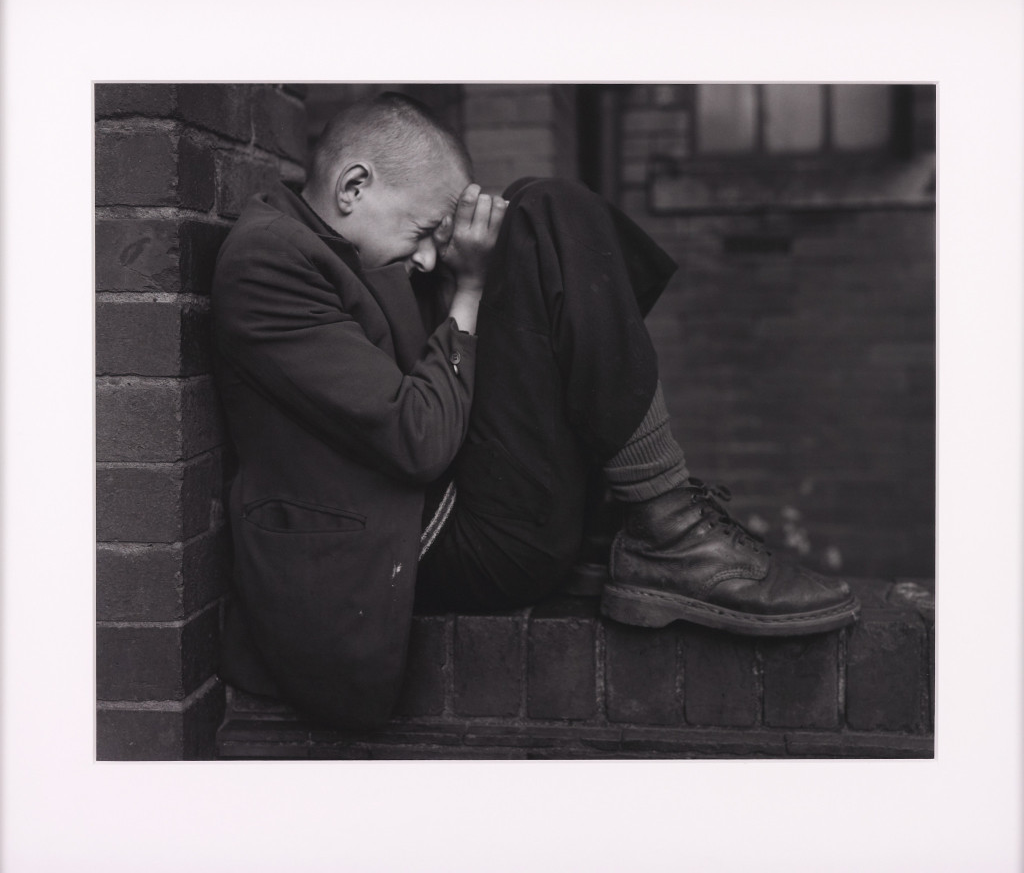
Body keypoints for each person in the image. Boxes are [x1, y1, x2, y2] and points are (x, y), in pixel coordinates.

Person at [212, 92, 859, 728]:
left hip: (459, 509)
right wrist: (468, 288)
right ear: (353, 186)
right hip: (415, 549)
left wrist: (483, 268)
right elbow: (418, 436)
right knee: (545, 211)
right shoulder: (271, 259)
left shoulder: (350, 247)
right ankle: (670, 528)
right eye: (422, 232)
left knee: (533, 206)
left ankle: (662, 518)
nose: (429, 256)